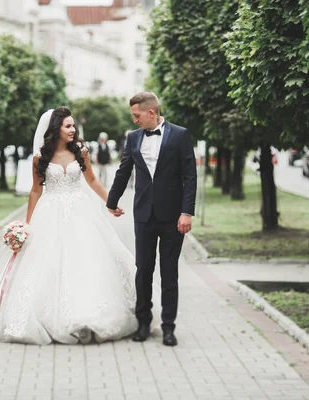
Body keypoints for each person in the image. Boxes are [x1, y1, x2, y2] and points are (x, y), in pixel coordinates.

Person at [0, 106, 138, 345]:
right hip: (50, 214)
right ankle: (49, 319)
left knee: (87, 261)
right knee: (47, 264)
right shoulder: (41, 157)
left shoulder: (81, 151)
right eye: (68, 126)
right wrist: (27, 226)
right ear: (55, 129)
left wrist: (110, 202)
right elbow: (35, 191)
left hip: (81, 212)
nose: (73, 130)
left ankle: (89, 315)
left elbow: (91, 179)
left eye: (73, 126)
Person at [106, 91, 197, 347]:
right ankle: (143, 322)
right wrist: (111, 202)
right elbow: (124, 171)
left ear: (151, 112)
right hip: (144, 216)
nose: (134, 121)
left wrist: (186, 212)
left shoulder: (180, 135)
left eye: (137, 116)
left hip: (173, 217)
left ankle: (169, 327)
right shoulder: (134, 138)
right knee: (143, 270)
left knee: (169, 273)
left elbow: (190, 176)